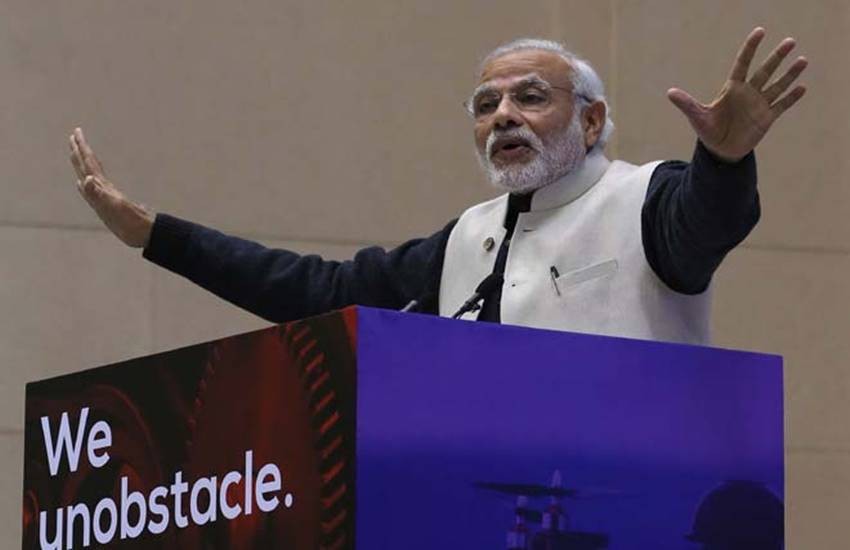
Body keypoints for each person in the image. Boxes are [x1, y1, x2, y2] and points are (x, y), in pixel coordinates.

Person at [69, 28, 807, 344]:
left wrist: (724, 159)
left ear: (591, 121)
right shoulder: (466, 239)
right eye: (486, 105)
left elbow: (708, 224)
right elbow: (318, 291)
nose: (503, 116)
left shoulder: (645, 197)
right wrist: (158, 237)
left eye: (530, 97)